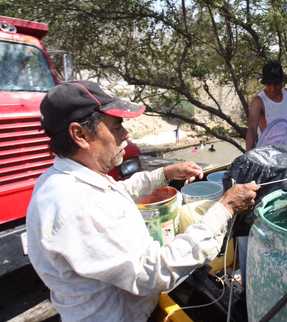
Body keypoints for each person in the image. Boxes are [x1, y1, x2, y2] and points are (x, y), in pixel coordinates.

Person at [26, 81, 259, 322]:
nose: (126, 134)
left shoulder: (71, 179)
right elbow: (151, 272)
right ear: (80, 134)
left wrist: (163, 174)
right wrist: (224, 208)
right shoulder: (74, 204)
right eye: (116, 127)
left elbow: (116, 192)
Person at [245, 61, 287, 151]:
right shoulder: (258, 102)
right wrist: (248, 157)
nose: (272, 89)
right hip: (267, 154)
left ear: (282, 81)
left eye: (276, 84)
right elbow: (251, 129)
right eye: (269, 84)